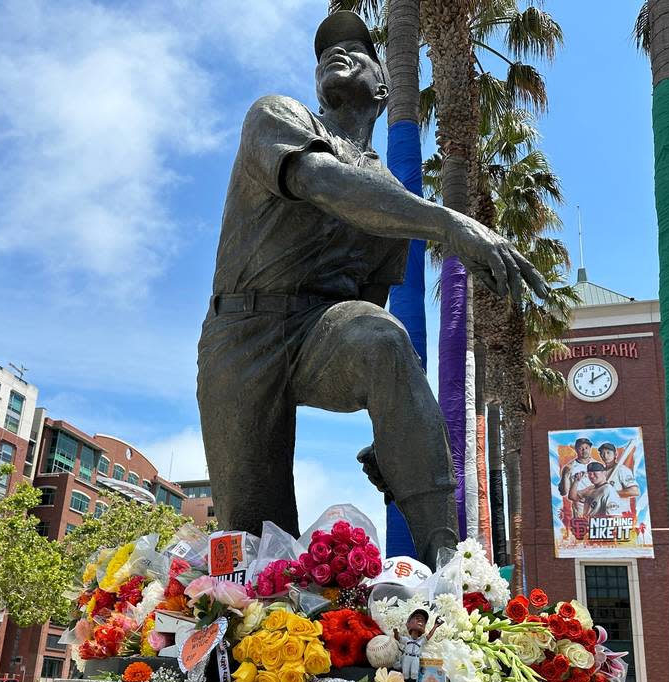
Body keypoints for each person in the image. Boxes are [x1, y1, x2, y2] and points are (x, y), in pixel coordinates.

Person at [197, 11, 549, 569]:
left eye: (357, 50)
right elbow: (323, 180)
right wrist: (451, 223)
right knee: (256, 542)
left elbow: (367, 316)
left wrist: (393, 424)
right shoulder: (278, 115)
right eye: (325, 53)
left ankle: (446, 561)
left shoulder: (388, 197)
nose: (335, 54)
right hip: (241, 334)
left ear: (383, 87)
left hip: (318, 332)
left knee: (384, 339)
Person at [395, 609, 444, 682]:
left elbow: (429, 635)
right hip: (407, 657)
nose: (420, 619)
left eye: (422, 620)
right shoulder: (406, 640)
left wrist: (435, 626)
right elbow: (397, 638)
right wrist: (396, 632)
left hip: (415, 658)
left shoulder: (421, 641)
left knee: (414, 673)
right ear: (408, 624)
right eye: (416, 617)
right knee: (405, 672)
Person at [558, 437, 593, 517]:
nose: (584, 450)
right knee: (582, 528)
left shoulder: (597, 465)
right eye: (581, 448)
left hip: (596, 504)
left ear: (590, 448)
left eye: (586, 448)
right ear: (576, 450)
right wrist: (565, 475)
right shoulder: (570, 467)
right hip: (579, 506)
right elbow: (564, 492)